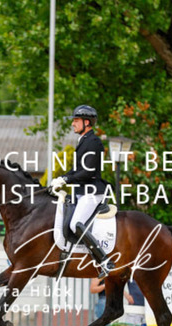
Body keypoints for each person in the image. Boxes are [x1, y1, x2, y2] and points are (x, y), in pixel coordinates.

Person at [51, 105, 114, 278]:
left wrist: (66, 180)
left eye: (76, 120)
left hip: (92, 192)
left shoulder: (94, 142)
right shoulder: (84, 141)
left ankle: (104, 261)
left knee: (75, 224)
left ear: (87, 122)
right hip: (82, 191)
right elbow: (76, 169)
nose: (73, 124)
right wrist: (62, 178)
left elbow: (88, 172)